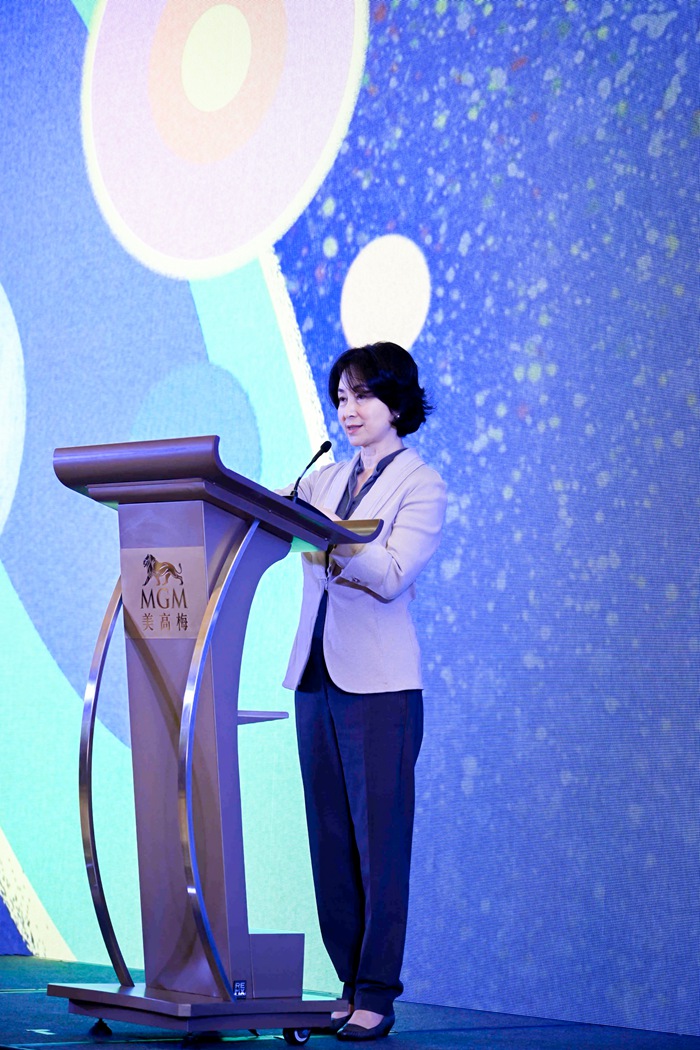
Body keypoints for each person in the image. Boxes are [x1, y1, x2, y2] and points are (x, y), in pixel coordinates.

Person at [282, 341, 447, 1042]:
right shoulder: (322, 478)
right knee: (329, 841)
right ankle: (348, 984)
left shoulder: (423, 484)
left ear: (397, 403)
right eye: (342, 397)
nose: (349, 409)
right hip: (315, 675)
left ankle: (378, 991)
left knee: (380, 846)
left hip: (379, 687)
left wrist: (333, 537)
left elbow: (392, 574)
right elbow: (282, 527)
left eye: (364, 395)